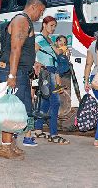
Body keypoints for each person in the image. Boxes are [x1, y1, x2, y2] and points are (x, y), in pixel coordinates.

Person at [0, 0, 47, 160]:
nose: (40, 15)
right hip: (13, 73)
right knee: (11, 110)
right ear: (33, 7)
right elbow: (15, 49)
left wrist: (33, 64)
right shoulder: (21, 20)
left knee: (21, 111)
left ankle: (11, 144)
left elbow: (23, 51)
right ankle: (4, 147)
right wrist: (12, 75)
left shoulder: (26, 21)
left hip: (20, 72)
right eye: (40, 11)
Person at [34, 16, 70, 145]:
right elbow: (31, 53)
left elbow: (57, 53)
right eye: (51, 25)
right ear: (44, 25)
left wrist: (64, 51)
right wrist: (36, 63)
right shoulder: (39, 38)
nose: (53, 28)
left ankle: (38, 129)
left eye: (55, 26)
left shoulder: (49, 39)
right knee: (55, 103)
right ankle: (53, 134)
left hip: (52, 73)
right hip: (47, 72)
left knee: (46, 102)